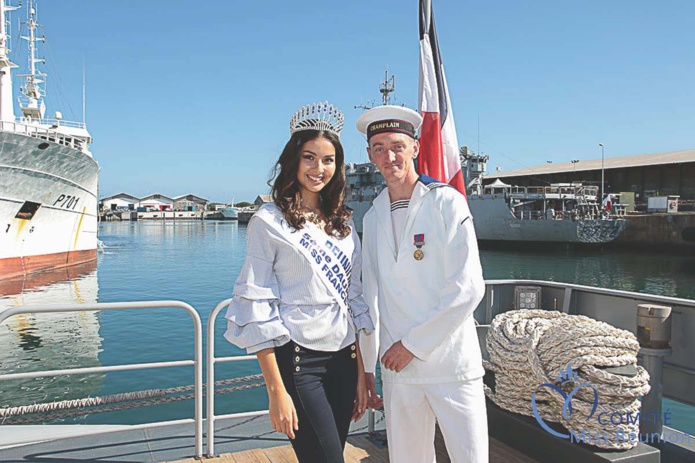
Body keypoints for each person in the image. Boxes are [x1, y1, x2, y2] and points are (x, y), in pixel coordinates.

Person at [224, 101, 374, 463]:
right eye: (309, 157)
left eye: (328, 160)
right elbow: (257, 303)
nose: (318, 168)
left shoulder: (343, 222)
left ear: (338, 166)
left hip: (343, 358)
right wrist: (276, 390)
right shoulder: (268, 221)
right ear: (293, 160)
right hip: (299, 361)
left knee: (328, 454)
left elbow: (352, 299)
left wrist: (360, 372)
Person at [357, 106, 488, 463]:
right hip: (398, 369)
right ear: (370, 156)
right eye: (379, 148)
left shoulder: (446, 202)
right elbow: (368, 296)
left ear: (415, 147)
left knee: (470, 458)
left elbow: (469, 287)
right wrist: (368, 367)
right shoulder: (372, 216)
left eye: (397, 145)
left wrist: (412, 345)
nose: (389, 156)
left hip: (451, 365)